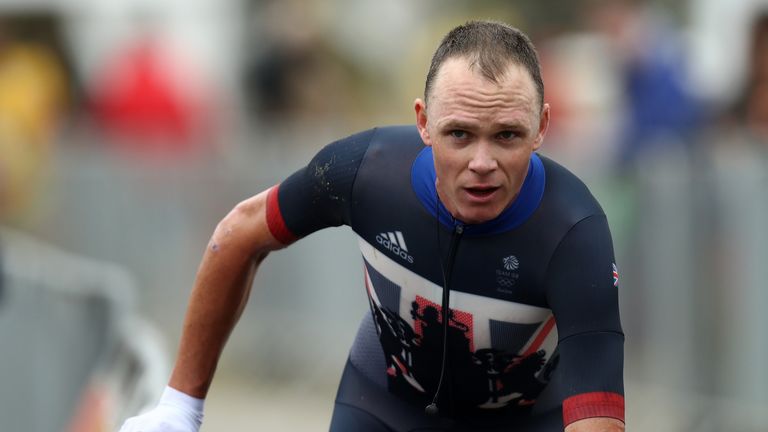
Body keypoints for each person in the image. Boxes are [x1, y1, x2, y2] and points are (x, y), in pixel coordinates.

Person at [118, 21, 625, 432]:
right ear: (424, 122)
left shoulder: (574, 232)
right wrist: (180, 407)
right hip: (384, 404)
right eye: (459, 134)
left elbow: (598, 418)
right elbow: (241, 232)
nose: (482, 161)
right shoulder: (366, 171)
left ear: (542, 128)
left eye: (508, 135)